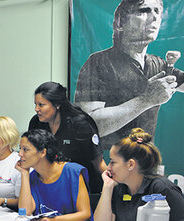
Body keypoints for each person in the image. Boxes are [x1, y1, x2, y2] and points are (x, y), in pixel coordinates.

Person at [74, 0, 184, 148]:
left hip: (146, 162)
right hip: (109, 162)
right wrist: (146, 100)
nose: (155, 17)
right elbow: (87, 126)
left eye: (157, 11)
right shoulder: (98, 63)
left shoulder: (159, 65)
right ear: (120, 22)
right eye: (143, 11)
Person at [94, 128, 184, 221]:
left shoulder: (163, 188)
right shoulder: (118, 185)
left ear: (131, 164)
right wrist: (107, 187)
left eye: (113, 162)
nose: (108, 168)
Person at [29, 82, 107, 193]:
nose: (36, 109)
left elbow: (97, 161)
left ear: (57, 105)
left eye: (41, 105)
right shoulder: (36, 123)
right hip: (51, 186)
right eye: (35, 104)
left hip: (82, 187)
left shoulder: (80, 124)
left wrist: (113, 186)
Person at [17, 129, 91, 221]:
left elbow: (85, 215)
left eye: (25, 149)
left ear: (43, 152)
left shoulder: (73, 172)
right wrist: (24, 174)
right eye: (20, 148)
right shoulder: (32, 177)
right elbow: (25, 212)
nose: (20, 154)